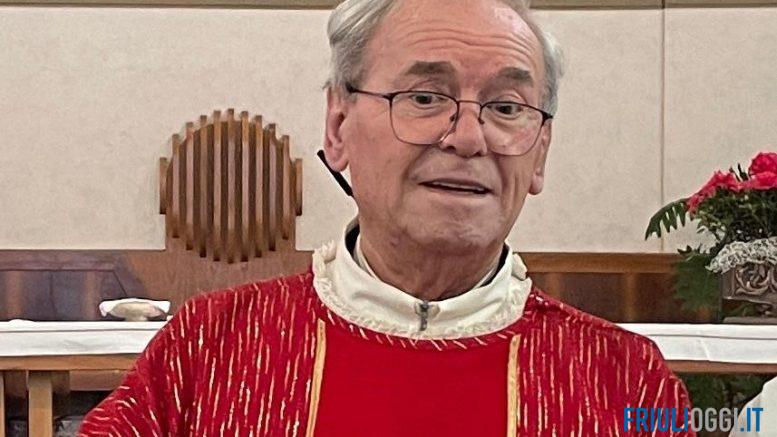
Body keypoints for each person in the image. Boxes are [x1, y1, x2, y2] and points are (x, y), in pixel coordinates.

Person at [80, 0, 695, 435]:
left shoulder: (626, 381)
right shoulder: (209, 348)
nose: (468, 137)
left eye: (507, 107)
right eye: (425, 97)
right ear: (338, 126)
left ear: (541, 153)